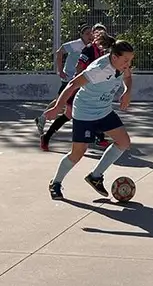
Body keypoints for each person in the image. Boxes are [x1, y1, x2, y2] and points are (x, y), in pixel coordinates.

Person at [44, 40, 135, 200]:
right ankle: (56, 182)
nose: (128, 64)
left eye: (130, 60)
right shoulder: (98, 70)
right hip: (85, 113)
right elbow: (72, 84)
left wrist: (127, 91)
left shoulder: (122, 66)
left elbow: (127, 77)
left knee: (124, 142)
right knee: (77, 153)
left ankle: (95, 176)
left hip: (104, 110)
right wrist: (57, 108)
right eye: (126, 60)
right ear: (114, 57)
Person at [40, 25, 111, 151]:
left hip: (90, 87)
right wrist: (81, 83)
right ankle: (46, 137)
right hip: (79, 87)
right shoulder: (88, 49)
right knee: (68, 114)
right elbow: (79, 68)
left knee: (95, 111)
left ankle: (99, 138)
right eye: (99, 35)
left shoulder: (102, 50)